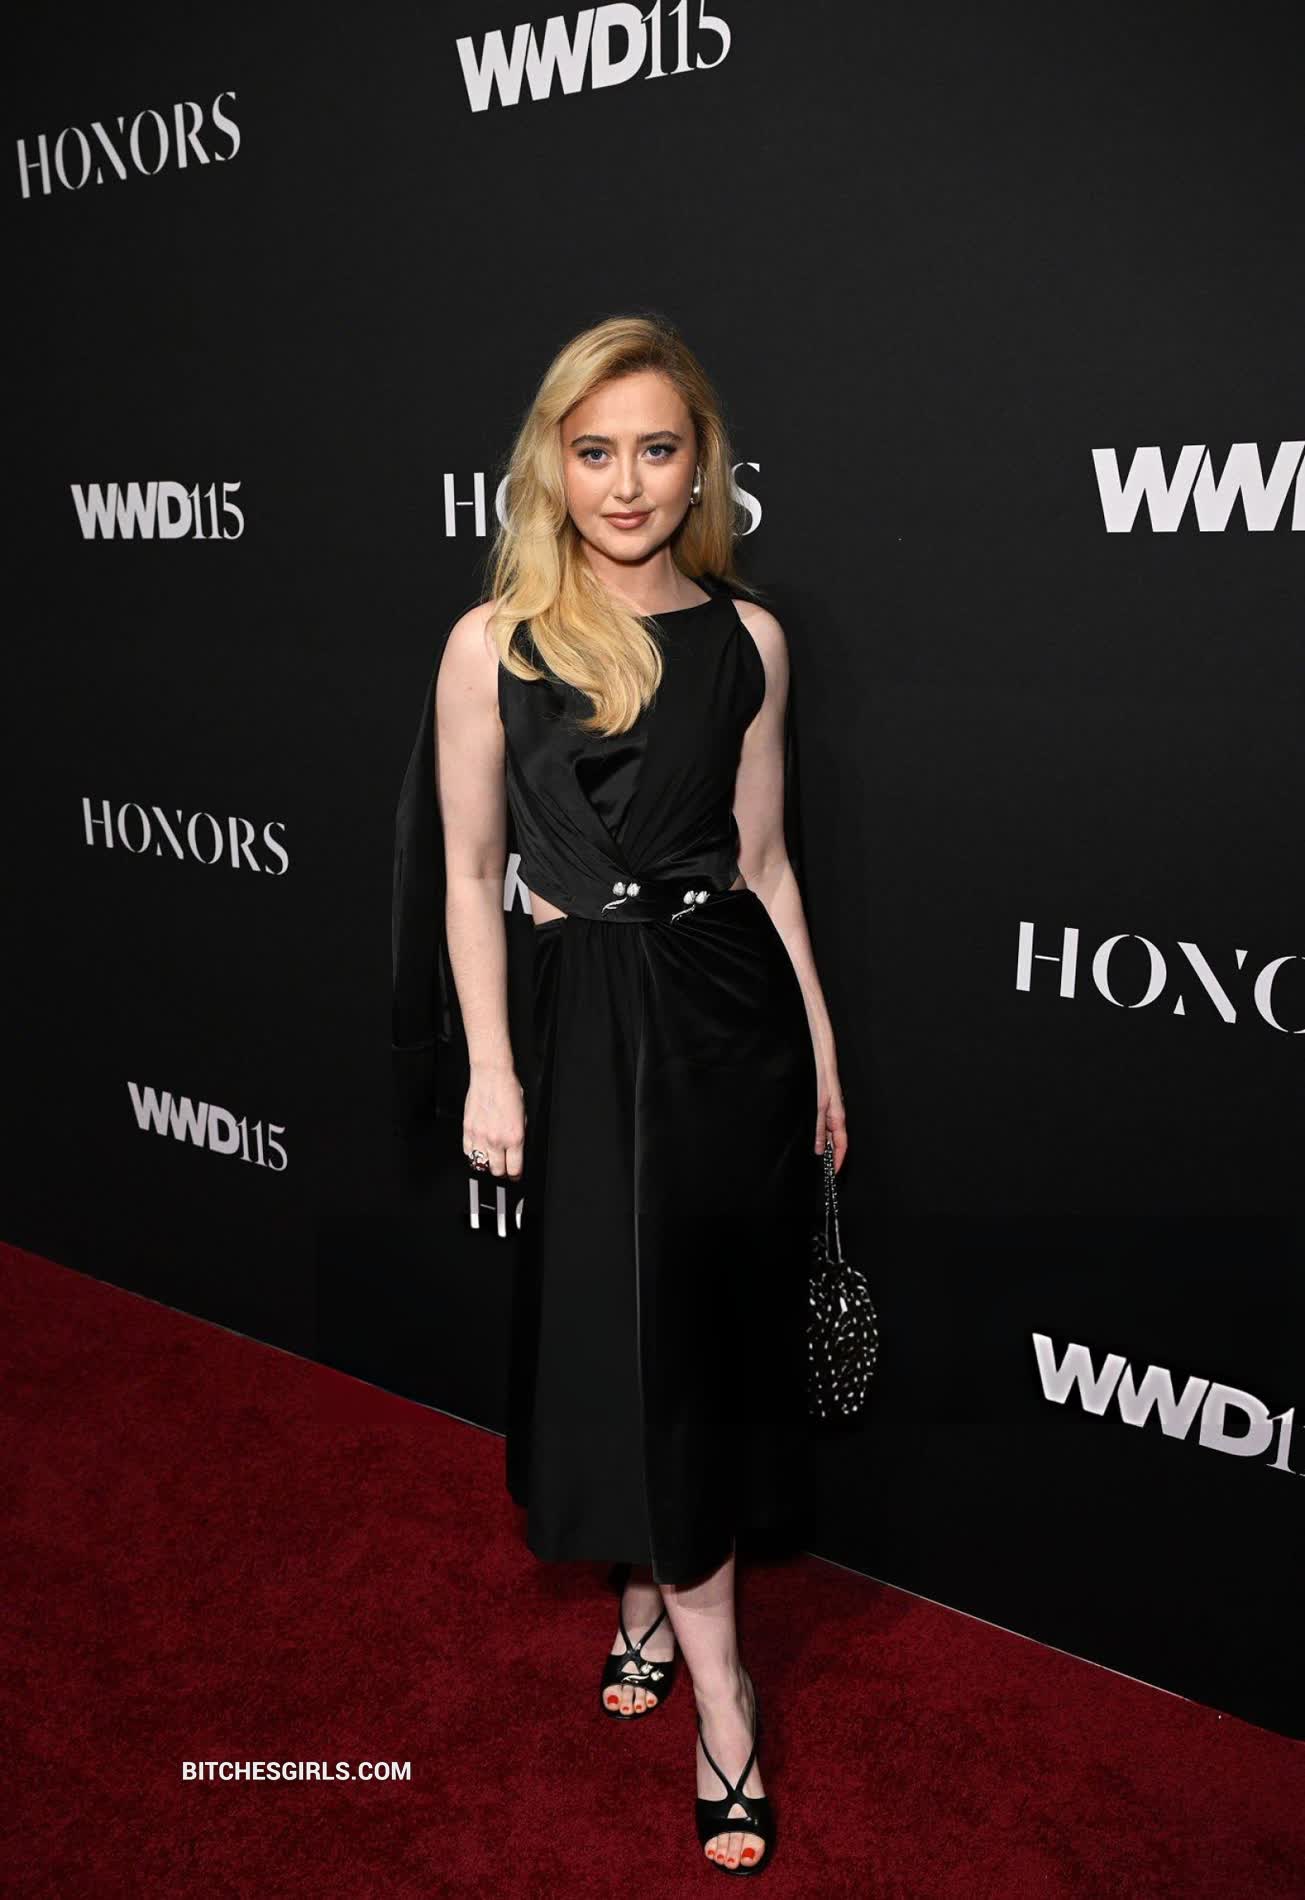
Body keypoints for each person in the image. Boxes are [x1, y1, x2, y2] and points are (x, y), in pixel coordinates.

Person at [429, 315, 847, 1876]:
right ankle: (675, 1616)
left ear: (699, 464)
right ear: (551, 462)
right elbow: (471, 875)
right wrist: (490, 1065)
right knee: (623, 1333)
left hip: (728, 1025)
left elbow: (765, 864)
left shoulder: (750, 640)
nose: (624, 483)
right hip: (580, 1029)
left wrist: (820, 1057)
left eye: (655, 449)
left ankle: (701, 1663)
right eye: (592, 450)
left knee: (697, 1336)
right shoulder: (495, 642)